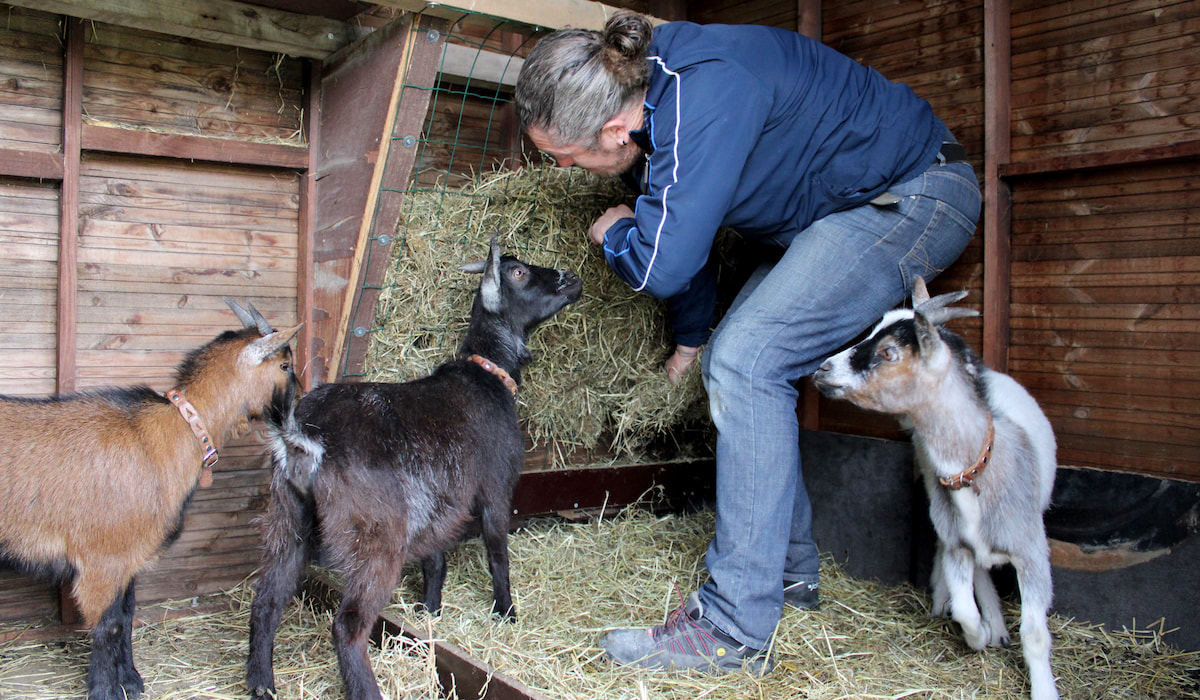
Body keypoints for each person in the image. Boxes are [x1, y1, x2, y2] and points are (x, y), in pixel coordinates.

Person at [514, 11, 982, 675]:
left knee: (749, 362)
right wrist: (692, 341)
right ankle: (787, 575)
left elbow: (660, 262)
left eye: (566, 156)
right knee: (736, 361)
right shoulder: (659, 103)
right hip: (835, 216)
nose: (567, 169)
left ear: (613, 128)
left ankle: (732, 626)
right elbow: (688, 232)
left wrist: (612, 235)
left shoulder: (702, 94)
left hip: (913, 193)